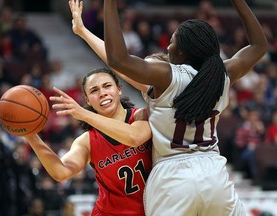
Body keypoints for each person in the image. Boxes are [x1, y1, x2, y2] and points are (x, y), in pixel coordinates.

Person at [97, 0, 267, 215]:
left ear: (184, 52)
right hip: (213, 174)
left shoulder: (166, 75)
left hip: (172, 176)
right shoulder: (223, 75)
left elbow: (118, 59)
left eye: (171, 42)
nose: (167, 48)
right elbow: (259, 46)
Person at [0, 68, 152, 215]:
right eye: (94, 90)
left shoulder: (142, 116)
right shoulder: (87, 141)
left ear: (119, 89)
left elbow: (134, 137)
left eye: (107, 86)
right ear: (87, 100)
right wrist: (31, 134)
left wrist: (83, 114)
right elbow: (61, 172)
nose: (102, 93)